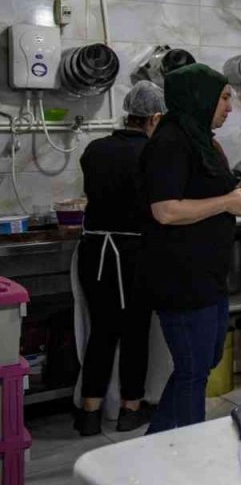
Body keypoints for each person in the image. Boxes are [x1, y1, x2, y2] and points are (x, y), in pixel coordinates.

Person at [139, 64, 241, 434]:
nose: (229, 108)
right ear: (200, 97)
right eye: (223, 98)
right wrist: (226, 203)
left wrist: (233, 198)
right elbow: (166, 210)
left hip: (206, 274)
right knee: (193, 370)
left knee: (204, 361)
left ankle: (156, 443)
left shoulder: (197, 139)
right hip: (182, 277)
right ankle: (189, 450)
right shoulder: (170, 142)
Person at [72, 82, 166, 436]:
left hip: (95, 252)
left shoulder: (94, 150)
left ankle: (90, 414)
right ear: (154, 118)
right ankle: (130, 409)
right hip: (135, 253)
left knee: (102, 330)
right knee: (135, 332)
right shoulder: (153, 153)